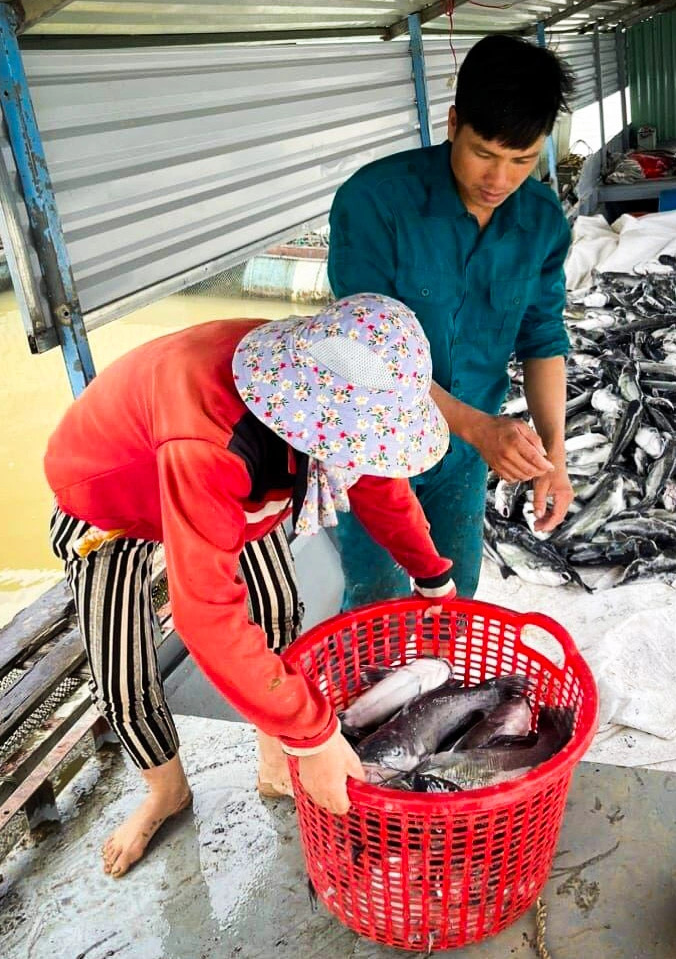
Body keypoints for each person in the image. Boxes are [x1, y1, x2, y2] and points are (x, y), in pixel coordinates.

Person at [44, 294, 454, 877]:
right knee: (123, 674)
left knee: (279, 609)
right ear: (311, 417)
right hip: (110, 503)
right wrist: (315, 736)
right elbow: (205, 612)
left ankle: (273, 759)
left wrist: (430, 571)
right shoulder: (214, 439)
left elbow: (375, 480)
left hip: (231, 482)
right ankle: (167, 792)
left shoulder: (321, 382)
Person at [327, 34, 575, 607]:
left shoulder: (540, 221)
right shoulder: (374, 202)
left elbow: (543, 340)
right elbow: (363, 356)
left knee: (452, 595)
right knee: (378, 599)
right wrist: (478, 428)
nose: (500, 178)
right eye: (484, 153)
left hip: (461, 458)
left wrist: (553, 459)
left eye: (521, 159)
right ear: (453, 121)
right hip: (373, 449)